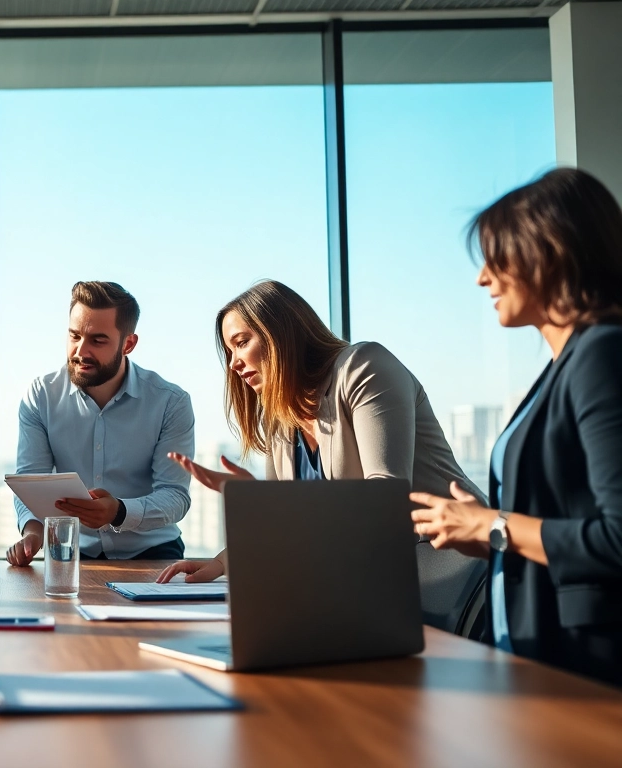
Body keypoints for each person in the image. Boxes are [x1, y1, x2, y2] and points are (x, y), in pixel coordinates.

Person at [411, 168, 622, 685]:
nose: (482, 277)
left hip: (589, 667)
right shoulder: (564, 366)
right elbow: (563, 520)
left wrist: (493, 526)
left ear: (547, 251)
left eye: (495, 257)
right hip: (535, 651)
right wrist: (483, 531)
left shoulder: (602, 355)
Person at [158, 279, 479, 584]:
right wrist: (223, 562)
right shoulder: (280, 418)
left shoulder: (364, 366)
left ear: (281, 334)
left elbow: (386, 498)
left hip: (447, 566)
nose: (234, 364)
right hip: (365, 581)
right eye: (230, 352)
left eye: (241, 343)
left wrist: (266, 499)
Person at [5, 281, 195, 566]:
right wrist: (33, 532)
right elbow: (32, 480)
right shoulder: (41, 396)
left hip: (153, 553)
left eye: (97, 340)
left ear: (128, 344)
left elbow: (175, 496)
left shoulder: (170, 402)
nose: (81, 351)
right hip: (71, 551)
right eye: (74, 336)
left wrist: (118, 512)